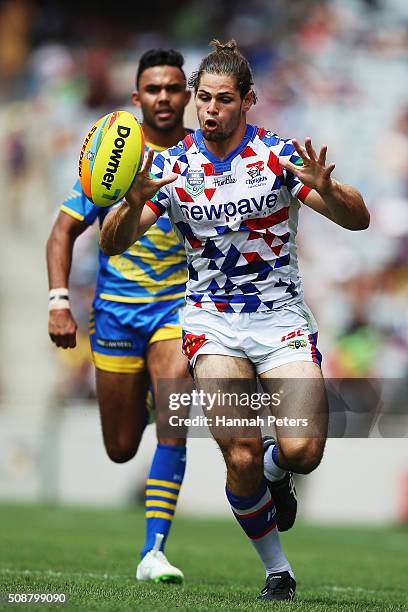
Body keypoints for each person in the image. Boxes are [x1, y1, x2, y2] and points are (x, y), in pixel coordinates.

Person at [99, 39, 370, 601]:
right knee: (239, 453)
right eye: (204, 98)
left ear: (249, 101)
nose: (210, 109)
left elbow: (358, 220)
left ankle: (279, 472)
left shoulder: (277, 156)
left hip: (281, 320)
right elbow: (114, 244)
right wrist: (130, 204)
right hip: (211, 324)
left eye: (224, 99)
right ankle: (278, 570)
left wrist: (327, 189)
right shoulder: (172, 167)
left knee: (303, 452)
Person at [46, 49, 192, 583]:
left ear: (187, 97)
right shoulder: (113, 159)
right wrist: (59, 301)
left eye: (173, 88)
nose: (163, 97)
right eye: (153, 89)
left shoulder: (199, 159)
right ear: (137, 98)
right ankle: (149, 402)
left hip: (176, 311)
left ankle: (153, 551)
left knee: (175, 421)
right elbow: (62, 231)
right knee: (120, 446)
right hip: (115, 316)